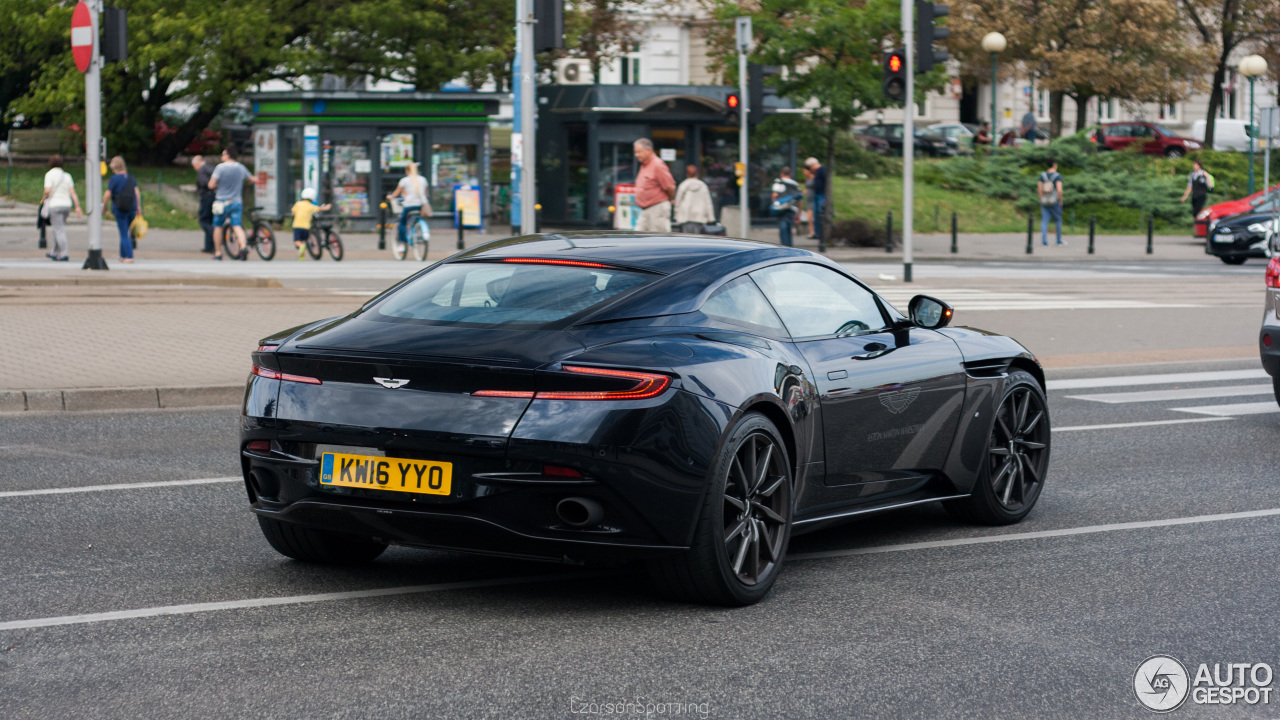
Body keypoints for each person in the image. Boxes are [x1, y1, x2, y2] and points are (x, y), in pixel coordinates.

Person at [208, 147, 252, 261]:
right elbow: (251, 179)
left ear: (227, 155)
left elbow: (211, 185)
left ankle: (218, 253)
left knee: (218, 226)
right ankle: (243, 246)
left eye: (223, 155)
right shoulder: (241, 167)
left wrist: (217, 186)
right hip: (236, 201)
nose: (222, 157)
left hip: (221, 202)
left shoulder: (220, 168)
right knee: (237, 226)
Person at [40, 155, 83, 262]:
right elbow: (72, 192)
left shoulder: (49, 174)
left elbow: (47, 191)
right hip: (67, 205)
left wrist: (44, 198)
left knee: (59, 229)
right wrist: (77, 206)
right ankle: (54, 252)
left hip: (55, 205)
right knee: (59, 229)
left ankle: (64, 253)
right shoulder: (67, 176)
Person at [101, 156, 140, 263]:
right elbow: (137, 193)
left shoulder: (114, 179)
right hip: (131, 208)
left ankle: (129, 256)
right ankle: (122, 255)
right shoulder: (131, 178)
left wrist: (104, 205)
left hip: (120, 208)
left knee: (123, 233)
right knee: (125, 231)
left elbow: (108, 194)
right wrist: (138, 207)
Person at [386, 161, 432, 251]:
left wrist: (390, 196)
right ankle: (419, 231)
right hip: (421, 205)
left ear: (407, 170)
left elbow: (396, 193)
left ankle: (402, 244)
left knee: (402, 223)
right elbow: (426, 193)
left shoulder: (404, 180)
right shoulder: (423, 179)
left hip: (409, 205)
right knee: (417, 218)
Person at [632, 138, 676, 232]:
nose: (636, 155)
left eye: (639, 152)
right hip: (645, 210)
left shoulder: (657, 165)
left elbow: (670, 187)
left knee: (658, 240)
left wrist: (669, 200)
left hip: (657, 208)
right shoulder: (644, 165)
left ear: (648, 150)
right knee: (638, 238)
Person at [291, 188, 331, 259]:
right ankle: (301, 256)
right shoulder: (310, 206)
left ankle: (301, 248)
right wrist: (327, 207)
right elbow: (319, 208)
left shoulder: (298, 204)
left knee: (297, 241)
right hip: (306, 227)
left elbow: (293, 213)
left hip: (297, 226)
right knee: (303, 240)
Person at [673, 165, 715, 233]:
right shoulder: (703, 186)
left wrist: (676, 216)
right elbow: (708, 203)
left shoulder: (683, 185)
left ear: (687, 174)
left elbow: (677, 202)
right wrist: (711, 218)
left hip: (685, 217)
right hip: (699, 217)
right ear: (697, 173)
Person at [771, 167, 803, 247]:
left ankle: (784, 248)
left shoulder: (778, 182)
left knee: (783, 230)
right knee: (789, 230)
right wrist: (799, 214)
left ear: (781, 173)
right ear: (790, 174)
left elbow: (774, 195)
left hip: (782, 210)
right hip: (791, 210)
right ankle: (790, 248)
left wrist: (775, 206)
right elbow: (799, 200)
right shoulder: (795, 184)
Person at [1038, 158, 1065, 246]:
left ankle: (1044, 241)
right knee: (1058, 220)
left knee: (1044, 221)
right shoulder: (1057, 176)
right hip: (1054, 201)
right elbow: (1059, 190)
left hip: (1045, 201)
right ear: (1054, 164)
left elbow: (1039, 189)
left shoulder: (1042, 175)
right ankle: (1058, 240)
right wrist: (1060, 199)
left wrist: (1042, 198)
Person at [193, 155, 215, 253]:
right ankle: (209, 247)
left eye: (194, 166)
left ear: (197, 164)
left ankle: (215, 236)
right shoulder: (211, 168)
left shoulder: (202, 170)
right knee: (210, 220)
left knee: (203, 220)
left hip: (206, 197)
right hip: (215, 196)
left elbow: (204, 183)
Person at [805, 157, 828, 242]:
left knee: (820, 213)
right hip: (818, 194)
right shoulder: (818, 171)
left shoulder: (822, 170)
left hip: (821, 194)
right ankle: (818, 233)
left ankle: (821, 234)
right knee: (817, 214)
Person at [802, 166, 817, 238]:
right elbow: (807, 188)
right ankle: (812, 232)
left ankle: (815, 232)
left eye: (804, 171)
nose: (804, 173)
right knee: (809, 217)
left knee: (813, 217)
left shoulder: (814, 177)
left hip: (814, 199)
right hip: (809, 200)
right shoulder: (807, 179)